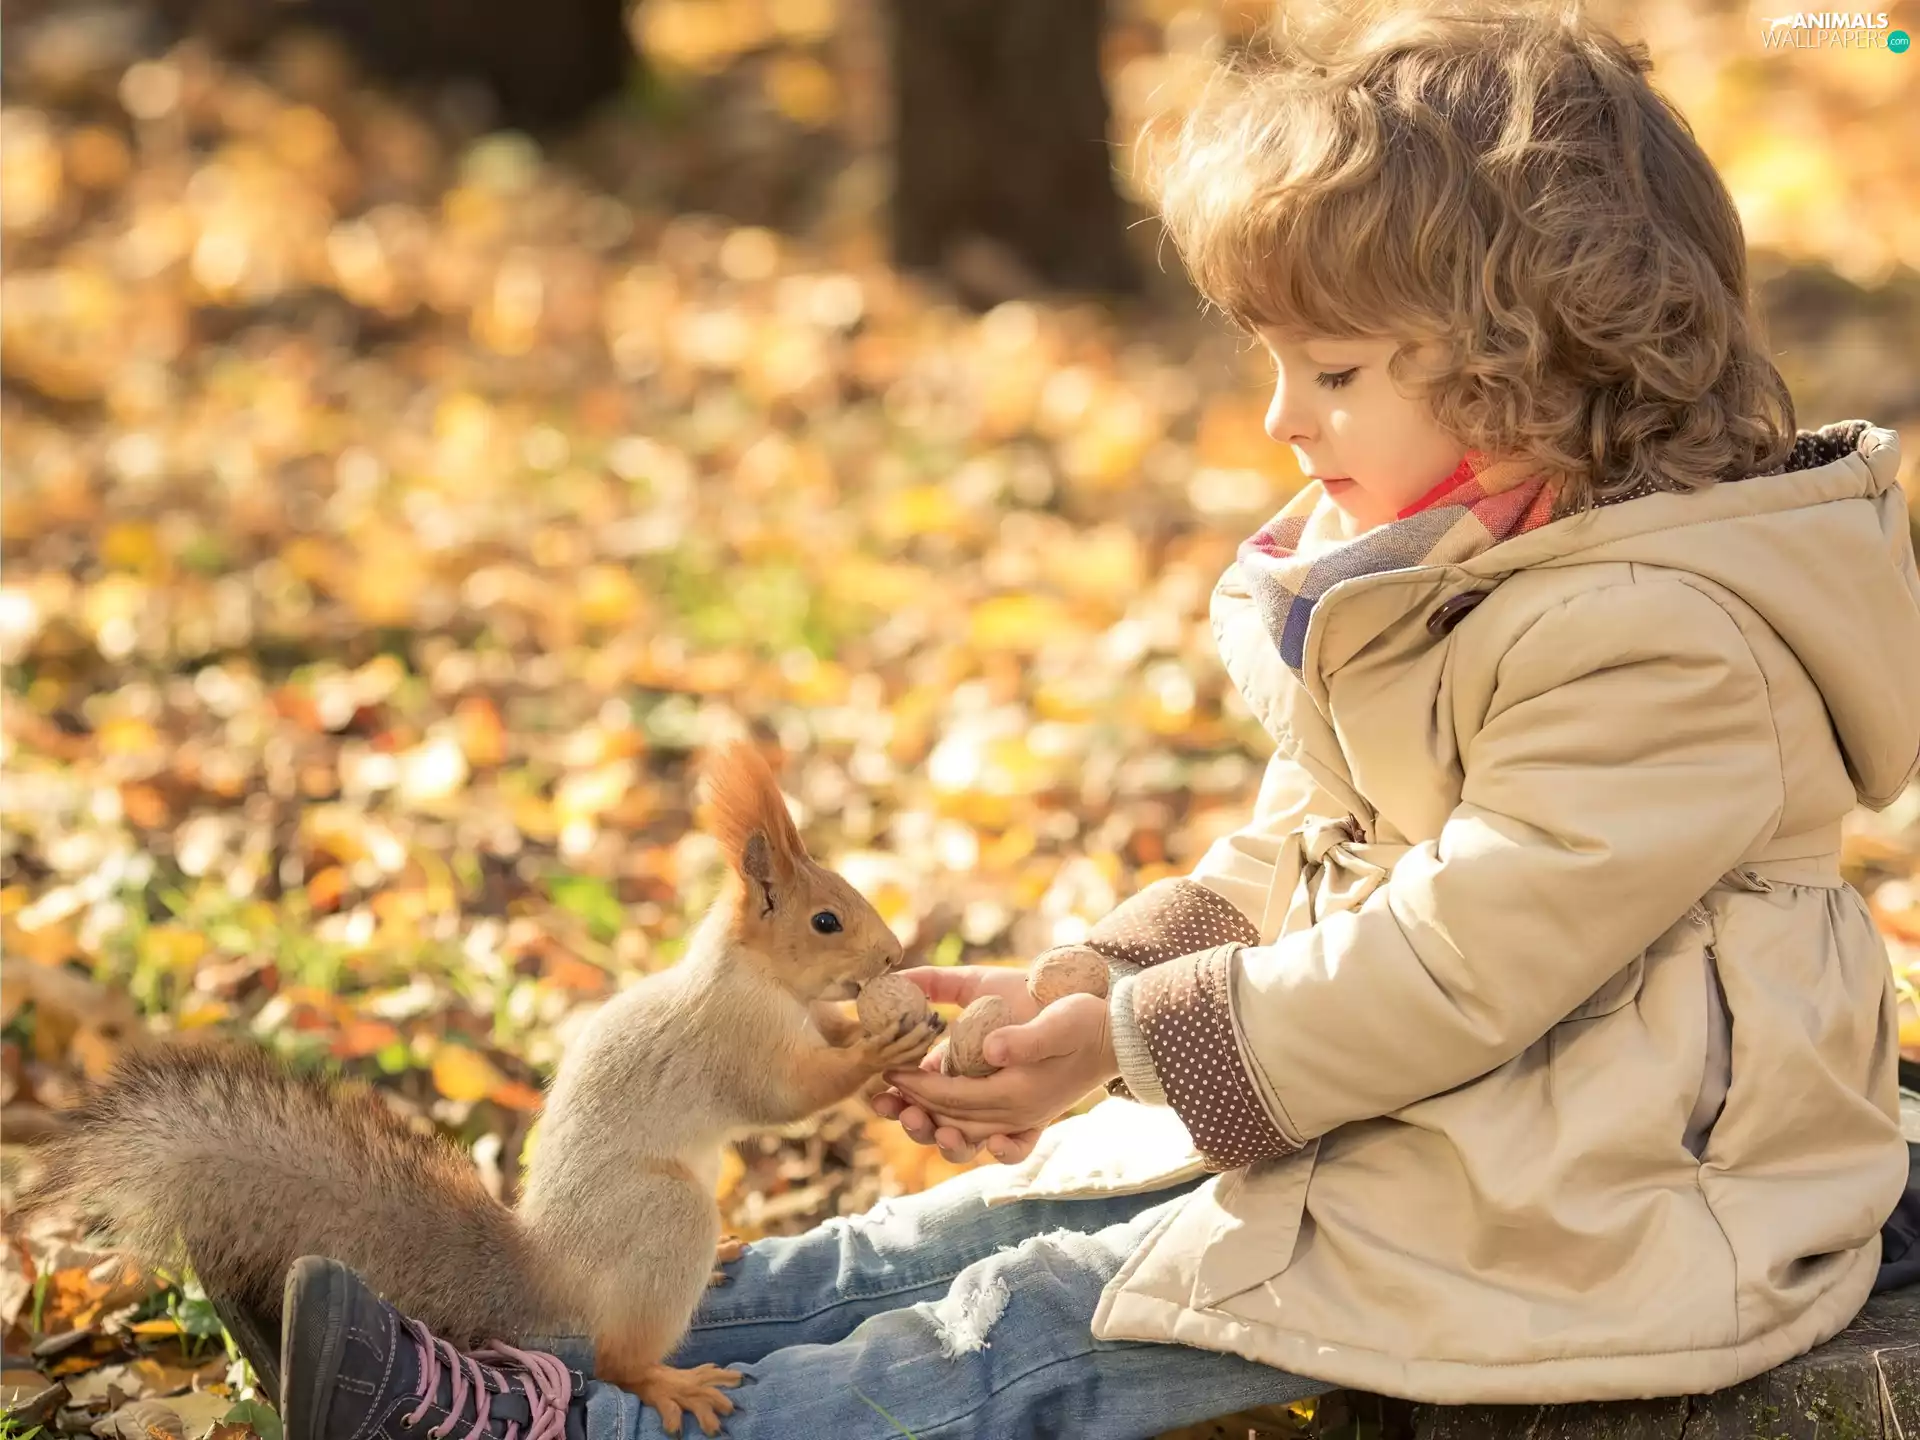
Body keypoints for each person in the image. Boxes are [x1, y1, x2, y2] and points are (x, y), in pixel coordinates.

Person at [276, 0, 1920, 1436]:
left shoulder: (1662, 647)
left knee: (1053, 1323)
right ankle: (528, 1336)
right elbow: (1308, 847)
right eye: (1273, 361)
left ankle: (570, 1431)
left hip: (1598, 1197)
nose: (1280, 418)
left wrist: (1138, 1044)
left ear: (1531, 367)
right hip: (1446, 1118)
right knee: (960, 1240)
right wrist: (1101, 981)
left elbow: (1462, 958)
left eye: (1334, 373)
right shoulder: (1462, 565)